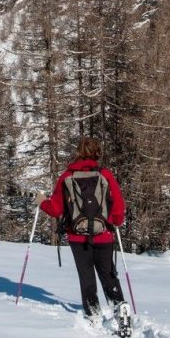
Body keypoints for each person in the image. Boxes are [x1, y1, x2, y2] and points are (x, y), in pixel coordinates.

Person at [35, 137, 127, 320]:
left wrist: (41, 201)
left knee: (87, 277)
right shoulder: (105, 174)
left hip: (77, 237)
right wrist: (116, 221)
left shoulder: (67, 176)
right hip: (104, 235)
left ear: (78, 152)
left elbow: (55, 209)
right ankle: (119, 307)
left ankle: (92, 313)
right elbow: (118, 205)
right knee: (108, 274)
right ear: (97, 152)